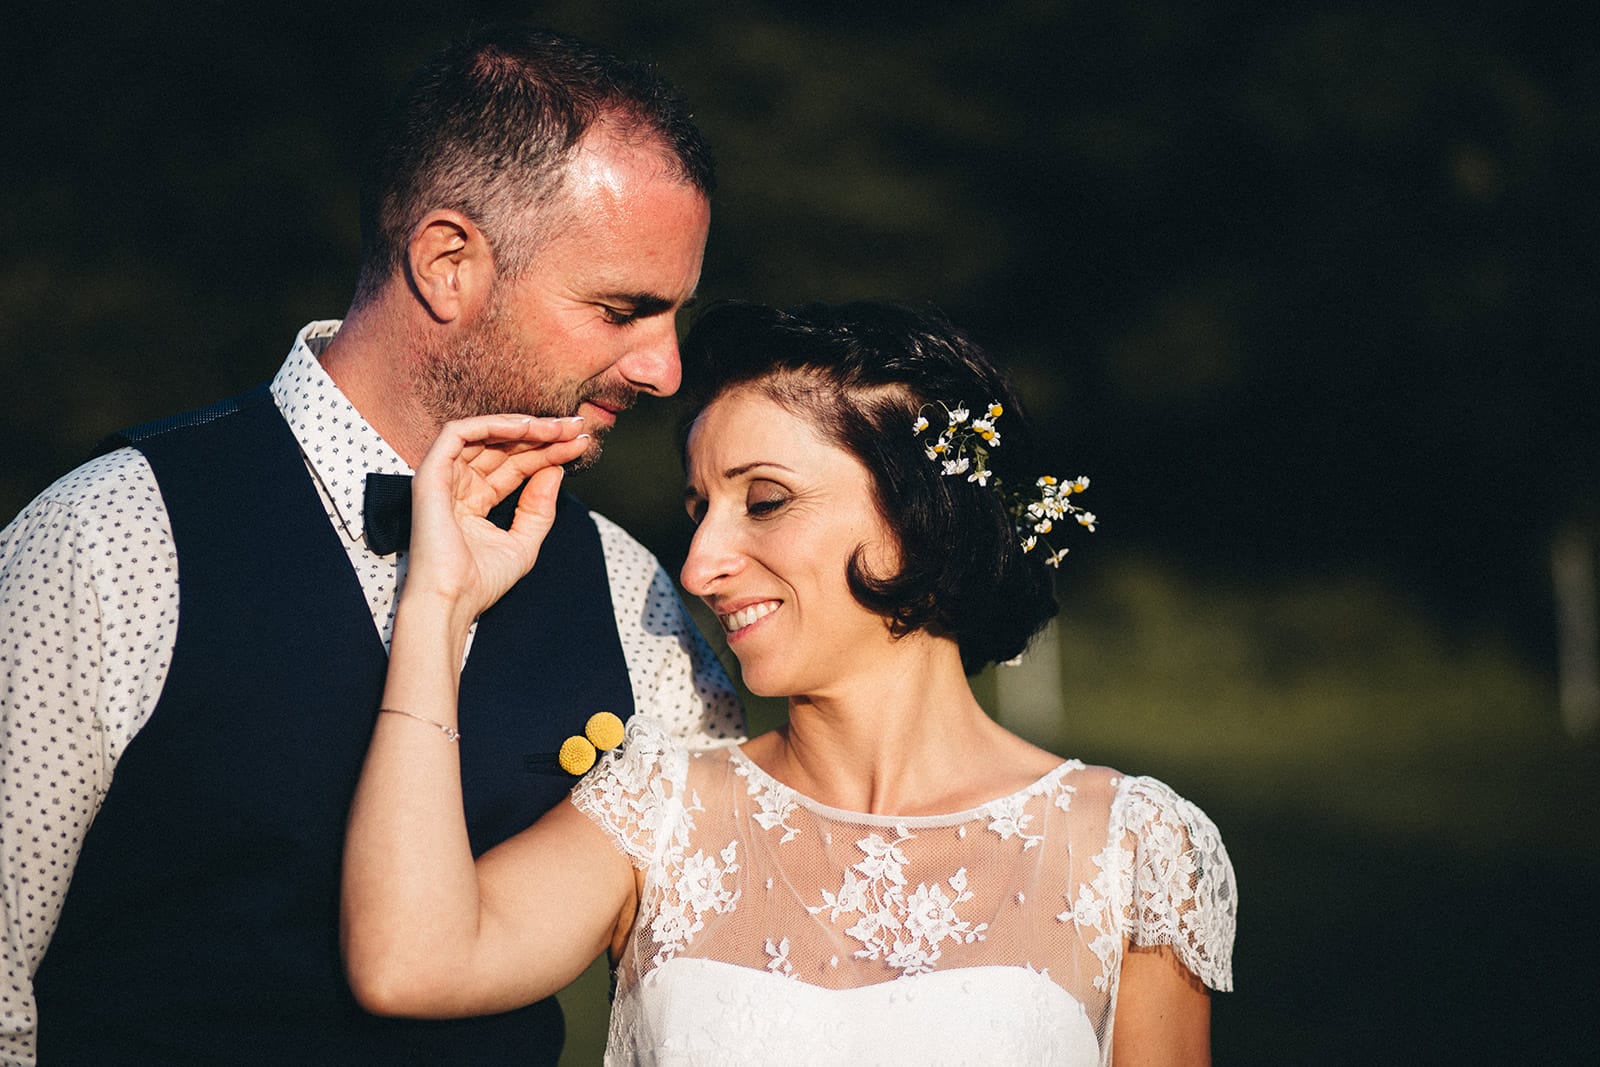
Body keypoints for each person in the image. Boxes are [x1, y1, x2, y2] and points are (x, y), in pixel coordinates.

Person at [0, 23, 741, 1065]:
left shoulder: (634, 596)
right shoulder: (113, 537)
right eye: (622, 309)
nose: (665, 368)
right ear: (448, 263)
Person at [342, 301, 1237, 1065]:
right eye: (699, 510)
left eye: (763, 500)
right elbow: (408, 961)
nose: (698, 566)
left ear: (919, 519)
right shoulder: (655, 811)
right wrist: (439, 603)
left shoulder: (1134, 852)